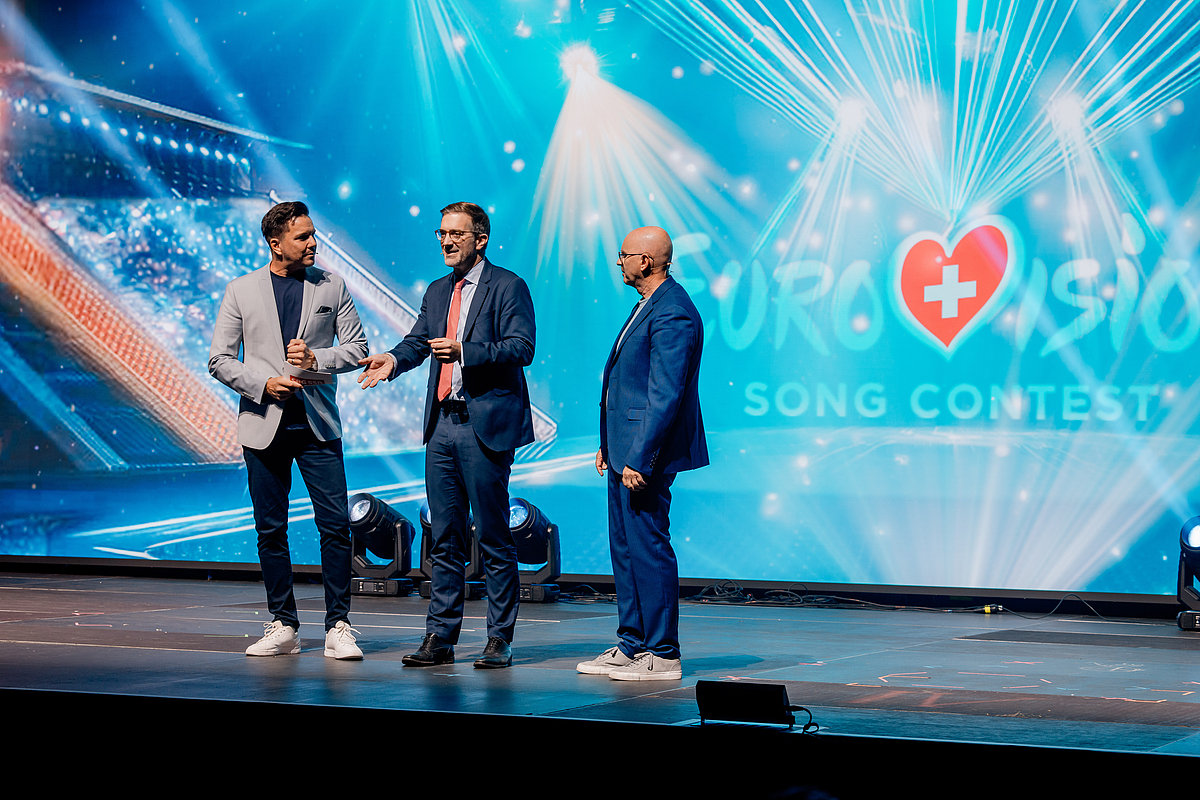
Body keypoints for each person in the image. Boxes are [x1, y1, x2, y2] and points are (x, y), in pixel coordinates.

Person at [358, 201, 535, 669]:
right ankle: (440, 636)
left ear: (481, 239)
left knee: (493, 536)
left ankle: (499, 638)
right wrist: (392, 360)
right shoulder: (438, 290)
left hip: (483, 427)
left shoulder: (508, 286)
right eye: (442, 233)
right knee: (444, 537)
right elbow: (418, 341)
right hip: (441, 426)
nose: (447, 241)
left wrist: (465, 351)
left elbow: (522, 347)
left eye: (456, 233)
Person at [209, 201, 368, 660]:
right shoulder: (240, 290)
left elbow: (358, 349)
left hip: (318, 424)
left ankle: (338, 625)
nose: (313, 242)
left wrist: (318, 359)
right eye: (303, 237)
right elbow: (219, 359)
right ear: (276, 244)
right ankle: (284, 624)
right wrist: (263, 385)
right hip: (264, 424)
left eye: (313, 234)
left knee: (335, 526)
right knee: (270, 528)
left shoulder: (332, 285)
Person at [578, 225, 708, 681]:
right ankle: (632, 643)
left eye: (625, 255)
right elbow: (624, 384)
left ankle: (663, 652)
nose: (619, 262)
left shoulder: (673, 311)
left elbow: (664, 394)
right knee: (625, 548)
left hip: (643, 456)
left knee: (649, 546)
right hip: (624, 450)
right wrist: (608, 443)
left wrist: (641, 456)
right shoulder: (646, 305)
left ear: (646, 261)